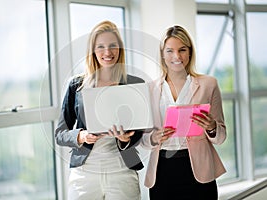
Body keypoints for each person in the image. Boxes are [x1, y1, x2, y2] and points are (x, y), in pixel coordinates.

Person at [55, 20, 145, 200]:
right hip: (85, 172)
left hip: (121, 169)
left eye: (113, 46)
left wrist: (125, 139)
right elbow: (60, 134)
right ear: (92, 51)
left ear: (120, 49)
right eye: (101, 47)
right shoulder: (77, 86)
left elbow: (140, 130)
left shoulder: (134, 85)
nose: (107, 52)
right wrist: (81, 136)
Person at [140, 25, 227, 199]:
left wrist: (211, 126)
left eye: (182, 50)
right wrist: (153, 138)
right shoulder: (149, 89)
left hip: (198, 170)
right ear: (163, 54)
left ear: (190, 52)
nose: (177, 56)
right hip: (162, 170)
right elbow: (142, 140)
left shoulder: (209, 84)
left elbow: (221, 136)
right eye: (170, 51)